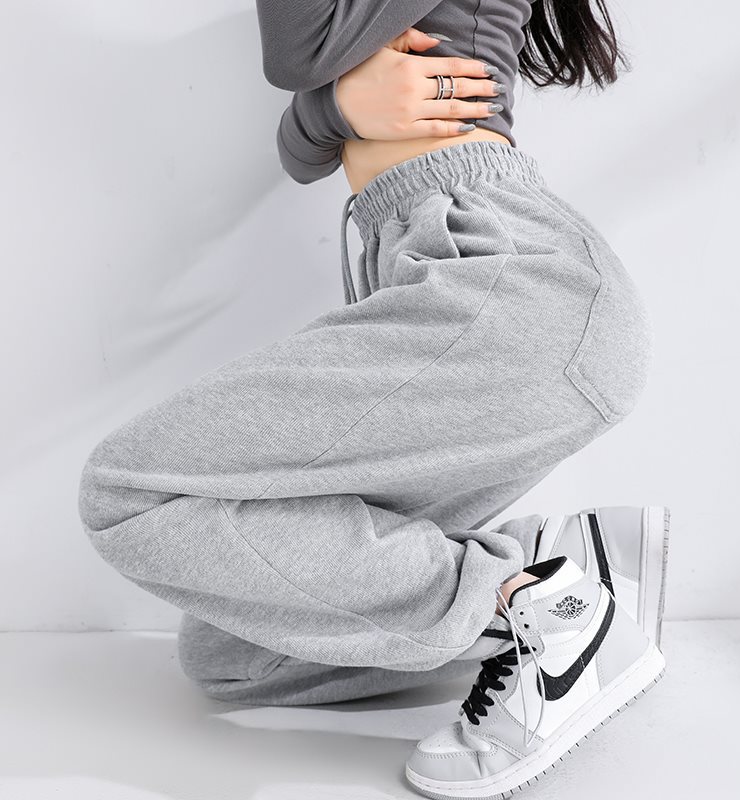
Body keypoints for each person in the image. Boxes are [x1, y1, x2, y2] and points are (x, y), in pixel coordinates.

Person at [77, 2, 669, 797]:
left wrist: (330, 104)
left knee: (129, 492)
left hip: (505, 283)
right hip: (451, 266)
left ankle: (540, 607)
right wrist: (339, 108)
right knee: (236, 657)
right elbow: (300, 143)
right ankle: (562, 569)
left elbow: (294, 52)